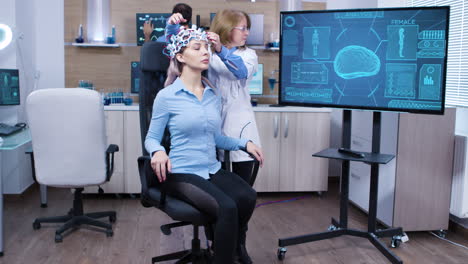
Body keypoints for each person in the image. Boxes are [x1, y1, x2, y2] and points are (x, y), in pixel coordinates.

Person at [145, 25, 264, 264]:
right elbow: (151, 138)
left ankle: (230, 248)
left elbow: (216, 137)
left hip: (210, 167)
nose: (205, 52)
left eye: (207, 48)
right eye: (197, 48)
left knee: (248, 196)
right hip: (181, 171)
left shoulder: (212, 94)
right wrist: (157, 151)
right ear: (180, 56)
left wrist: (244, 144)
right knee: (227, 207)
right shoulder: (167, 96)